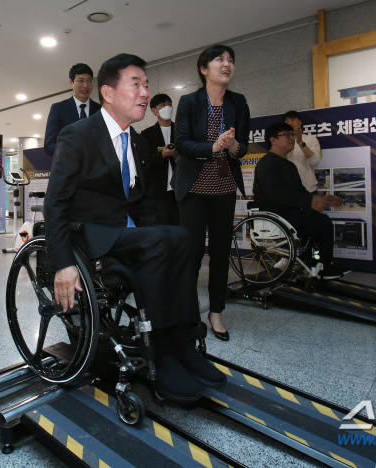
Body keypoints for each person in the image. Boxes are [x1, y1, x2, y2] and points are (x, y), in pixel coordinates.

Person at [44, 53, 225, 403]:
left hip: (128, 234)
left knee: (182, 237)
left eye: (147, 84)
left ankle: (182, 343)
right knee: (162, 240)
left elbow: (142, 202)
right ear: (108, 93)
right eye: (136, 84)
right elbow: (56, 203)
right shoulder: (77, 135)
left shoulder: (139, 143)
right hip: (92, 238)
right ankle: (163, 353)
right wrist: (62, 263)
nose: (145, 92)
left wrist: (165, 236)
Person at [174, 44, 249, 343]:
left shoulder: (238, 102)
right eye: (220, 60)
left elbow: (242, 145)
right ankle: (187, 312)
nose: (227, 64)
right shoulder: (189, 102)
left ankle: (215, 312)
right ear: (204, 69)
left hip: (224, 188)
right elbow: (181, 143)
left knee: (220, 253)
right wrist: (213, 147)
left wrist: (232, 147)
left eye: (230, 60)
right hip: (193, 189)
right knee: (191, 254)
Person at [253, 122, 351, 280]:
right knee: (322, 222)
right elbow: (275, 195)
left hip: (288, 212)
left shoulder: (289, 165)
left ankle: (314, 261)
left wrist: (320, 199)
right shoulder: (266, 164)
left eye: (292, 135)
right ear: (273, 140)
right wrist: (309, 201)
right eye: (287, 135)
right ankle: (322, 267)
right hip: (275, 214)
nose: (292, 138)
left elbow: (301, 191)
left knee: (318, 219)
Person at [44, 63, 102, 156]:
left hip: (96, 169)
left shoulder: (100, 110)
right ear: (71, 82)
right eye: (80, 81)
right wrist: (72, 150)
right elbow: (49, 146)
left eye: (89, 81)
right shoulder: (59, 108)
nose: (85, 85)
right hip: (70, 168)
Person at [140, 94, 179, 225]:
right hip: (159, 190)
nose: (167, 107)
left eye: (169, 104)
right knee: (163, 226)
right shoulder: (147, 134)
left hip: (181, 189)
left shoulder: (181, 131)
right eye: (162, 105)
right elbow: (144, 161)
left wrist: (176, 154)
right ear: (154, 110)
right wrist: (162, 155)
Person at [284, 111, 321, 193]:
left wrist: (301, 143)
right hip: (288, 191)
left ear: (300, 122)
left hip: (308, 190)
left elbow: (314, 162)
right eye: (287, 121)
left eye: (293, 120)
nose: (290, 123)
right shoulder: (282, 142)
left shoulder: (311, 140)